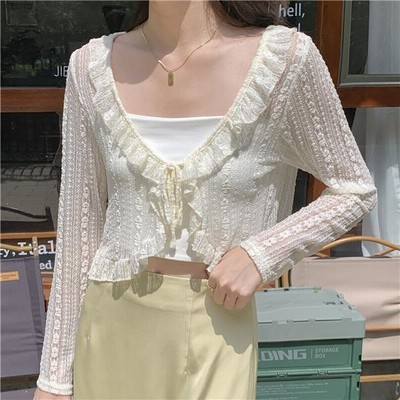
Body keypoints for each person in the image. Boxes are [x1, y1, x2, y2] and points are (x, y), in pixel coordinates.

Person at [33, 1, 377, 399]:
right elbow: (79, 230)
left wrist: (261, 254)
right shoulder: (90, 68)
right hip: (111, 325)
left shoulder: (285, 61)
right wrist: (54, 379)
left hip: (219, 326)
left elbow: (354, 188)